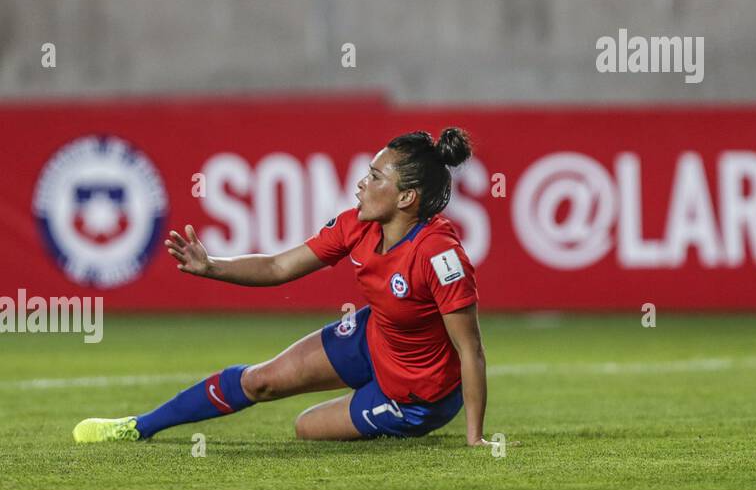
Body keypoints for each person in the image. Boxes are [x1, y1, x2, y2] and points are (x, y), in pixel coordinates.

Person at [73, 129, 496, 446]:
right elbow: (279, 266)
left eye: (374, 177)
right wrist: (212, 267)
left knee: (305, 428)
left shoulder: (440, 256)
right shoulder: (356, 225)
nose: (361, 184)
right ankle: (138, 426)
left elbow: (470, 350)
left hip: (416, 395)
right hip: (375, 336)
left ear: (406, 199)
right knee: (261, 381)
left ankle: (386, 412)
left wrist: (475, 438)